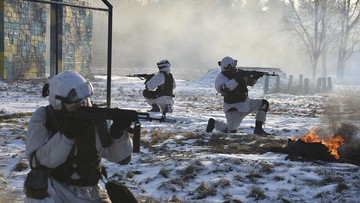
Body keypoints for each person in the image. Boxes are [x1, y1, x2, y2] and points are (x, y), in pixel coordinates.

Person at [24, 70, 135, 203]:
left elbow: (122, 159)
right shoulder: (43, 117)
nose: (84, 107)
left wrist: (118, 134)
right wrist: (66, 137)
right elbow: (37, 163)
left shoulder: (96, 119)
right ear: (60, 105)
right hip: (56, 188)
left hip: (90, 191)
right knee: (35, 186)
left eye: (85, 102)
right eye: (76, 105)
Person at [206, 56, 271, 136]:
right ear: (227, 68)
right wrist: (236, 80)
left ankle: (258, 130)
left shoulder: (238, 73)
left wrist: (255, 77)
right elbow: (223, 89)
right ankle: (214, 123)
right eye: (232, 68)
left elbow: (250, 83)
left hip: (245, 103)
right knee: (231, 132)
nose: (235, 69)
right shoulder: (221, 78)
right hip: (233, 108)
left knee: (264, 104)